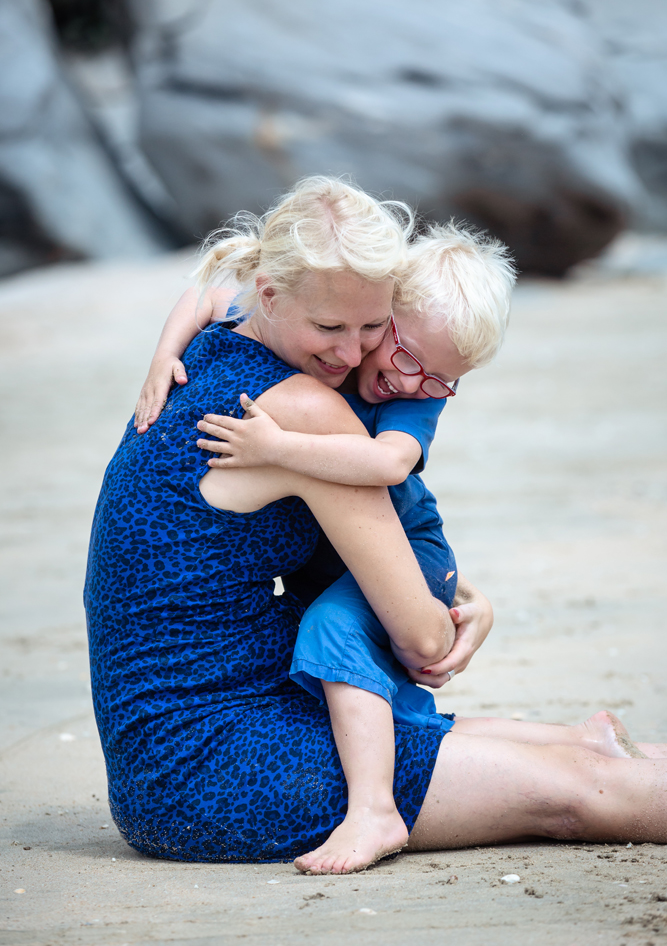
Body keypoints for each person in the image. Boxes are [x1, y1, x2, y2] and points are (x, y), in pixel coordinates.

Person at [128, 203, 667, 874]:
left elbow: (209, 291)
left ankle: (580, 738)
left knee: (518, 750)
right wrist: (451, 614)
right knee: (577, 792)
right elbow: (424, 640)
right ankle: (389, 806)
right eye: (331, 326)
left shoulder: (212, 346)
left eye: (371, 327)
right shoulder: (299, 410)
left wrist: (464, 590)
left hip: (172, 733)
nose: (353, 353)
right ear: (270, 292)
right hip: (210, 769)